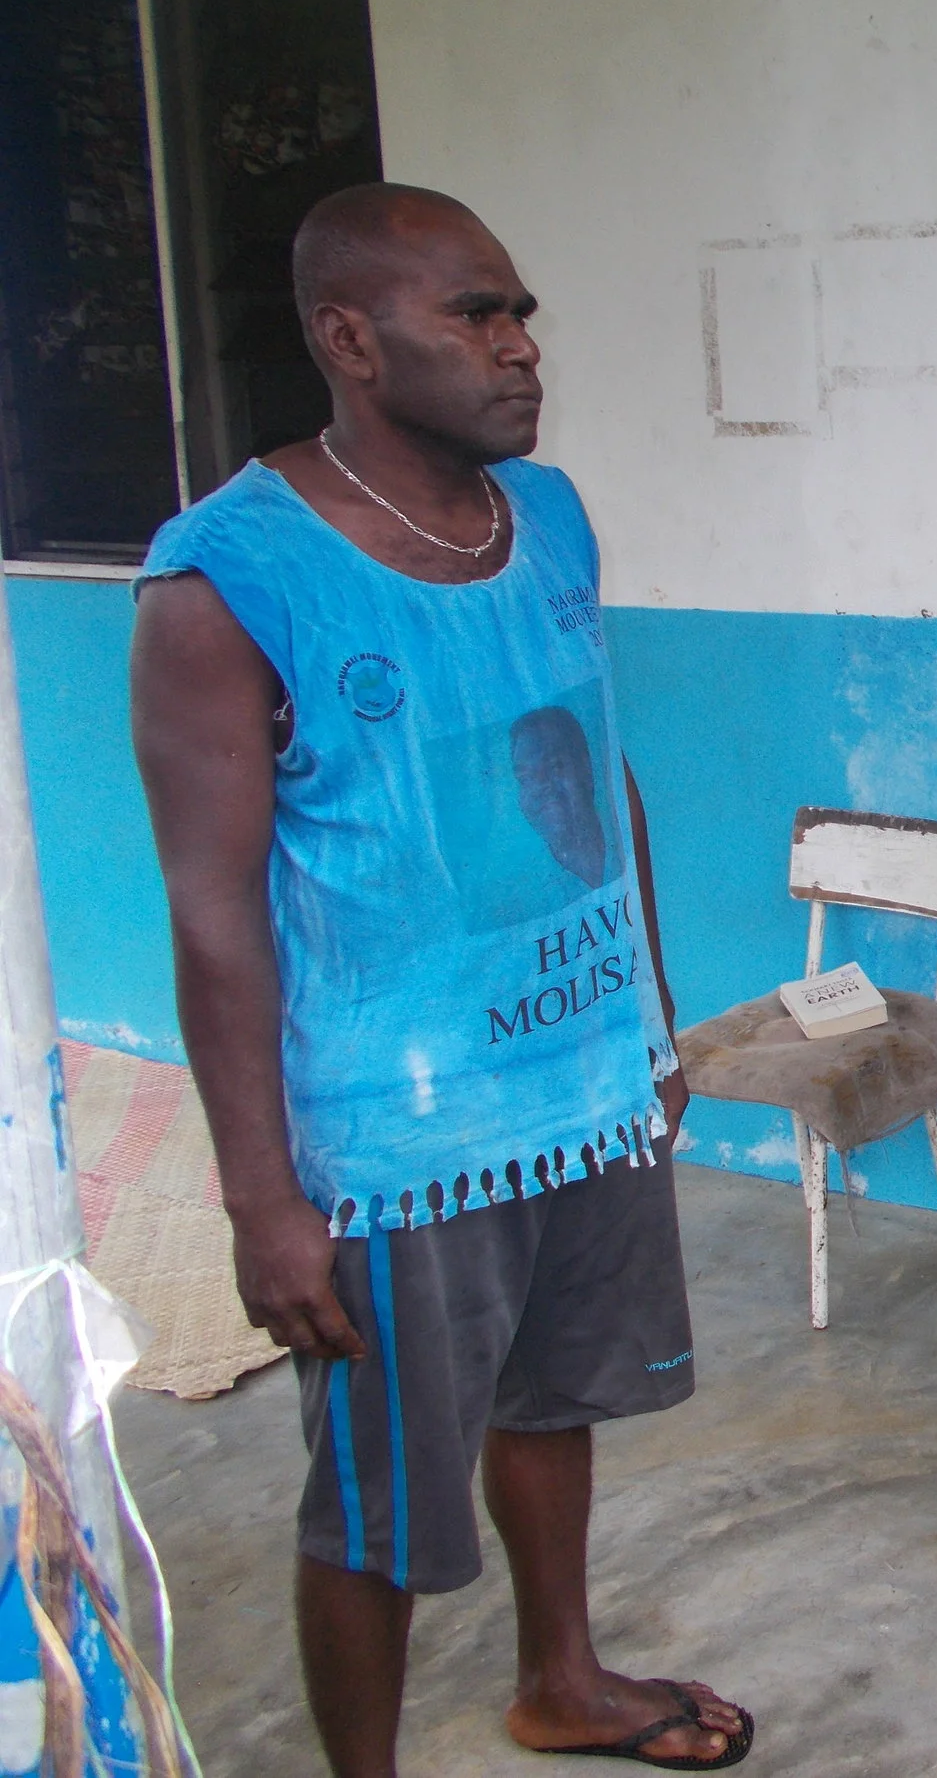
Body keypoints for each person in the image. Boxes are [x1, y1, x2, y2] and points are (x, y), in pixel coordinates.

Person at [129, 184, 753, 1776]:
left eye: (521, 311)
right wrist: (264, 1199)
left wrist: (651, 1020)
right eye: (475, 315)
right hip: (399, 1141)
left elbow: (600, 777)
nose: (519, 345)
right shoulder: (224, 579)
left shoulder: (547, 514)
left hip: (584, 1087)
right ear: (349, 338)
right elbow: (214, 917)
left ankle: (562, 1675)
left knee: (553, 1398)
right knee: (377, 1497)